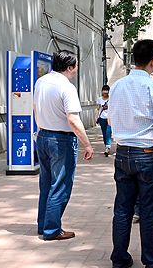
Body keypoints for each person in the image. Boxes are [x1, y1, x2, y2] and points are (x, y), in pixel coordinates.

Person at [108, 39, 153, 268]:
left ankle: (120, 258)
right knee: (149, 210)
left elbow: (110, 119)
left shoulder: (116, 86)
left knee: (123, 208)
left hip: (123, 153)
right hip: (148, 154)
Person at [33, 50, 94, 241]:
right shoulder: (66, 87)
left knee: (46, 184)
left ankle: (43, 225)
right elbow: (73, 119)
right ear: (69, 67)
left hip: (42, 136)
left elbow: (35, 108)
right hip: (61, 140)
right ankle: (52, 230)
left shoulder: (41, 82)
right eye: (75, 66)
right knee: (60, 185)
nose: (76, 70)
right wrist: (87, 144)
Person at [95, 84, 112, 157]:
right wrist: (96, 117)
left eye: (106, 91)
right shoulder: (99, 99)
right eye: (104, 91)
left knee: (108, 132)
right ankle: (106, 146)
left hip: (110, 118)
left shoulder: (111, 99)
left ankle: (108, 147)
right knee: (104, 133)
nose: (105, 93)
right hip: (102, 118)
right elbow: (97, 108)